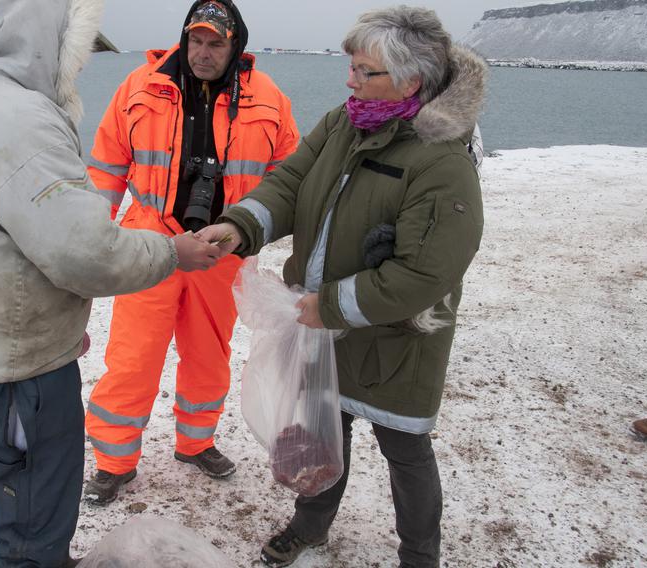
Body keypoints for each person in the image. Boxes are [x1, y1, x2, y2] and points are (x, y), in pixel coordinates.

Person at [0, 0, 222, 566]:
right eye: (79, 54)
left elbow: (14, 236)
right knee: (35, 517)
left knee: (21, 494)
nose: (82, 68)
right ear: (50, 44)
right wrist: (171, 252)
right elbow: (83, 251)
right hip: (20, 372)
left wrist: (59, 317)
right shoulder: (19, 121)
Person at [199, 6, 488, 567]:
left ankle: (419, 555)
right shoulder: (344, 121)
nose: (350, 80)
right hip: (319, 324)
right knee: (323, 435)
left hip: (393, 340)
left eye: (365, 71)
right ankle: (311, 525)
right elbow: (291, 182)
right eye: (350, 66)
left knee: (405, 451)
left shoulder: (441, 161)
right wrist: (241, 225)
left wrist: (329, 305)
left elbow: (427, 273)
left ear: (411, 79)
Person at [82, 0, 299, 504]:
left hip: (222, 249)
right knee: (133, 355)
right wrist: (95, 236)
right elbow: (106, 168)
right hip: (149, 241)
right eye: (195, 40)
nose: (202, 53)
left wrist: (252, 231)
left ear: (235, 45)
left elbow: (289, 178)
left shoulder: (269, 99)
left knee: (209, 353)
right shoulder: (139, 87)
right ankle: (114, 461)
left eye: (215, 43)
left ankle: (196, 442)